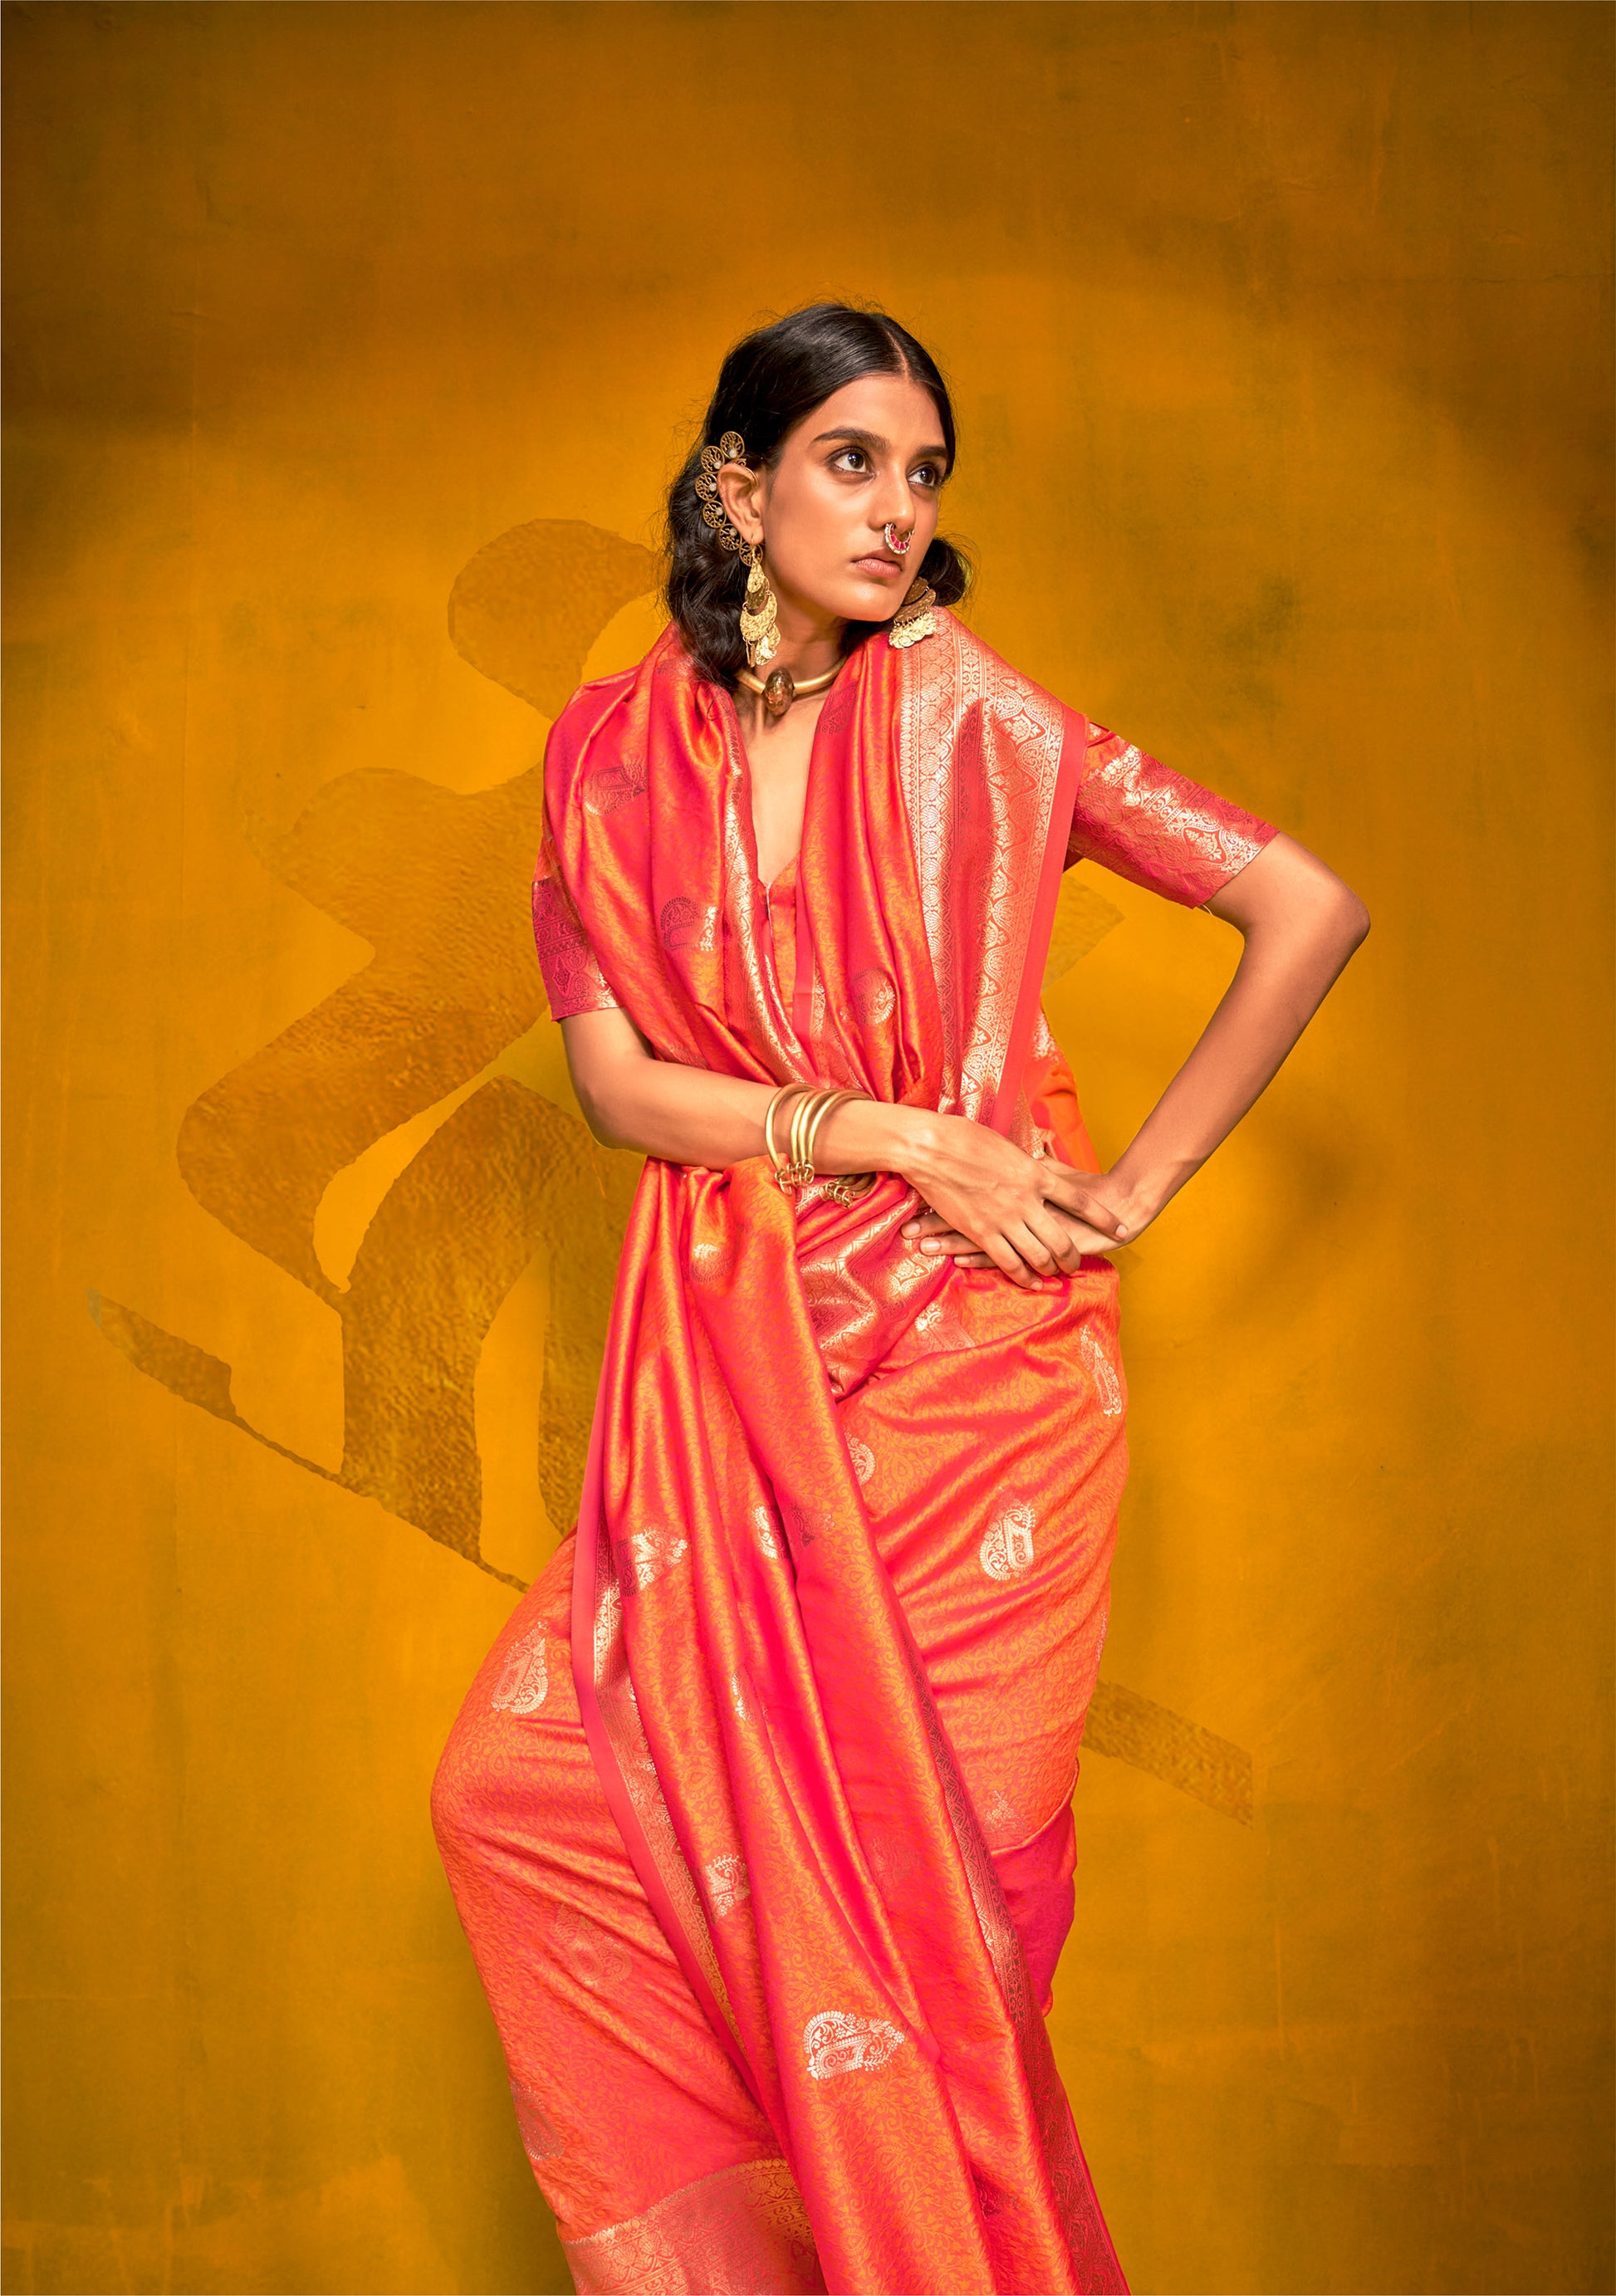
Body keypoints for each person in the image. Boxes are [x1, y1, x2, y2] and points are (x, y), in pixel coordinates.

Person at [431, 302, 1369, 2296]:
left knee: (940, 1921)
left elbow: (1304, 906)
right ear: (738, 479)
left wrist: (1130, 1186)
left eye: (923, 472)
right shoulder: (606, 755)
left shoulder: (975, 724)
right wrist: (887, 1132)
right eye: (850, 460)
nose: (894, 509)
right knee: (515, 1799)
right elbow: (616, 1091)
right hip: (731, 1358)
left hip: (983, 1391)